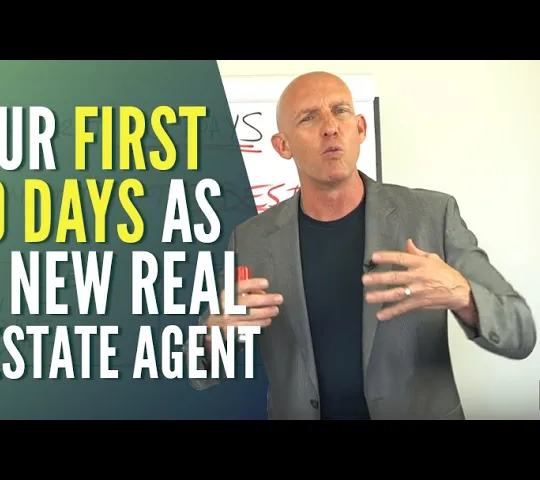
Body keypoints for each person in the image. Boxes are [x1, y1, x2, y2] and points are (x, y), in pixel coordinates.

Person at [184, 71, 536, 420]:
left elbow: (521, 333)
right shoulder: (250, 240)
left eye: (340, 111)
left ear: (361, 128)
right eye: (309, 118)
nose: (330, 127)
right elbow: (198, 373)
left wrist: (463, 295)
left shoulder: (433, 216)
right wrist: (214, 336)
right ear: (283, 146)